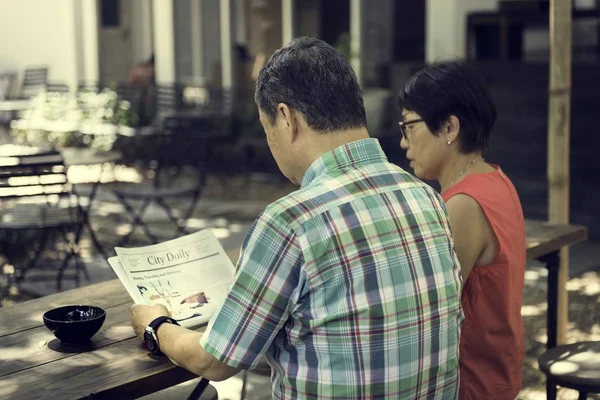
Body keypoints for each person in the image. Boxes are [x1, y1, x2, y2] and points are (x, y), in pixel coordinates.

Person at [131, 37, 463, 399]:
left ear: (286, 119)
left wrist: (156, 325)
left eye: (266, 127)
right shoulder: (425, 197)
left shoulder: (291, 221)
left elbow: (215, 361)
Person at [397, 61, 526, 400]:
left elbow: (427, 316)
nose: (402, 142)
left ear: (450, 127)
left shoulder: (463, 205)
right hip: (498, 374)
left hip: (471, 385)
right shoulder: (495, 178)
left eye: (409, 126)